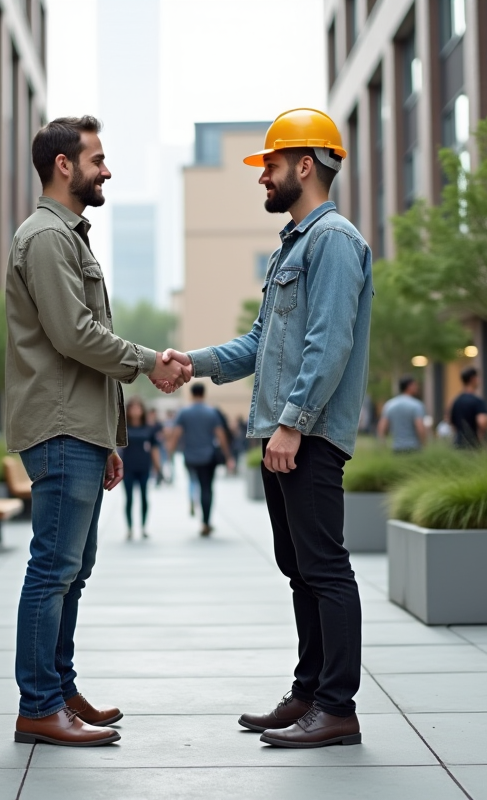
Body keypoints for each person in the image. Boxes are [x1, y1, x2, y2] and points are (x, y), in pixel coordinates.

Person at [161, 108, 372, 748]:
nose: (263, 178)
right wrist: (190, 361)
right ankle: (309, 692)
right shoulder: (295, 245)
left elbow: (328, 344)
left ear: (305, 165)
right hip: (283, 435)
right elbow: (261, 344)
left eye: (271, 166)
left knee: (325, 568)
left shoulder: (333, 241)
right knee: (300, 566)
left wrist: (292, 425)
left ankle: (337, 708)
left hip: (304, 437)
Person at [4, 115, 190, 747]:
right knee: (53, 570)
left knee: (72, 570)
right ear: (65, 165)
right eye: (98, 159)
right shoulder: (48, 238)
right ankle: (38, 705)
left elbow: (79, 347)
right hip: (58, 430)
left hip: (78, 431)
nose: (106, 170)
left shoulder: (69, 237)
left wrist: (111, 437)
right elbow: (74, 337)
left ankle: (59, 687)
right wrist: (148, 362)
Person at [166, 383, 235, 537]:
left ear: (191, 394)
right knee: (207, 488)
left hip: (190, 456)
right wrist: (228, 456)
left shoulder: (184, 413)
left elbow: (175, 434)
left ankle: (193, 500)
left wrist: (169, 455)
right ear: (204, 394)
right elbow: (221, 435)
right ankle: (205, 522)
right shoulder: (211, 412)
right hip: (208, 456)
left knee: (193, 481)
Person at [119, 397, 161, 540]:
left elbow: (154, 448)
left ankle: (143, 527)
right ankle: (129, 528)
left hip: (144, 466)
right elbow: (117, 448)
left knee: (144, 497)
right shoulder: (123, 428)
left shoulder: (148, 428)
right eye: (132, 408)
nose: (135, 410)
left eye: (138, 407)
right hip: (128, 467)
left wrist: (158, 467)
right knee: (129, 499)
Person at [377, 375, 426, 452]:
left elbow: (382, 426)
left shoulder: (389, 404)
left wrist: (383, 442)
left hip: (396, 448)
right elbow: (420, 426)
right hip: (413, 447)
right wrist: (423, 444)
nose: (417, 387)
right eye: (415, 385)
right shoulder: (417, 405)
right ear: (409, 386)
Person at [449, 367, 487, 448]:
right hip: (472, 445)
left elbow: (452, 422)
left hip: (458, 443)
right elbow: (482, 422)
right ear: (473, 379)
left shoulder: (456, 401)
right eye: (478, 377)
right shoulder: (477, 401)